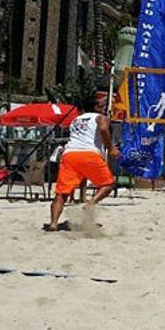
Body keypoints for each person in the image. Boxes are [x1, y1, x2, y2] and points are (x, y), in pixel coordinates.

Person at [45, 99, 119, 231]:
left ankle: (53, 223)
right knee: (108, 185)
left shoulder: (75, 120)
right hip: (90, 154)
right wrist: (111, 147)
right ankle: (90, 203)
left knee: (61, 193)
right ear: (95, 107)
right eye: (101, 106)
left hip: (70, 154)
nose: (104, 108)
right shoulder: (100, 117)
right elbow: (102, 128)